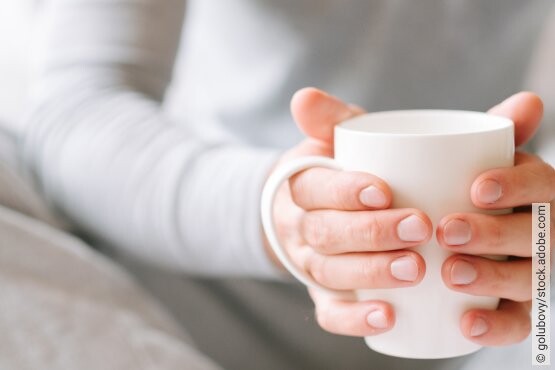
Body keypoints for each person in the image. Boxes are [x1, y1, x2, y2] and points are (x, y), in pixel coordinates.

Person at [7, 0, 555, 369]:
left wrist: (536, 221)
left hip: (481, 322)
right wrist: (276, 212)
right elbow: (74, 115)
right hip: (189, 293)